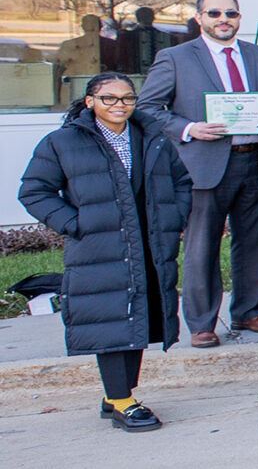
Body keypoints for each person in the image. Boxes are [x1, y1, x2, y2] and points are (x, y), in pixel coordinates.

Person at [21, 74, 192, 431]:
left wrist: (174, 217)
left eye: (127, 98)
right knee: (111, 318)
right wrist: (76, 223)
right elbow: (35, 191)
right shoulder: (63, 142)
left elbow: (181, 182)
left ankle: (117, 394)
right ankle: (122, 400)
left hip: (148, 243)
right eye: (109, 98)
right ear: (90, 102)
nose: (119, 105)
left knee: (138, 316)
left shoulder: (151, 137)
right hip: (100, 247)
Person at [132, 0, 258, 348]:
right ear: (200, 17)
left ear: (239, 18)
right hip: (204, 163)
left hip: (255, 158)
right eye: (214, 13)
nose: (223, 19)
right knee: (202, 246)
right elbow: (147, 108)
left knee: (256, 241)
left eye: (231, 13)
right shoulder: (175, 57)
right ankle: (202, 322)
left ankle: (249, 310)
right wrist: (188, 129)